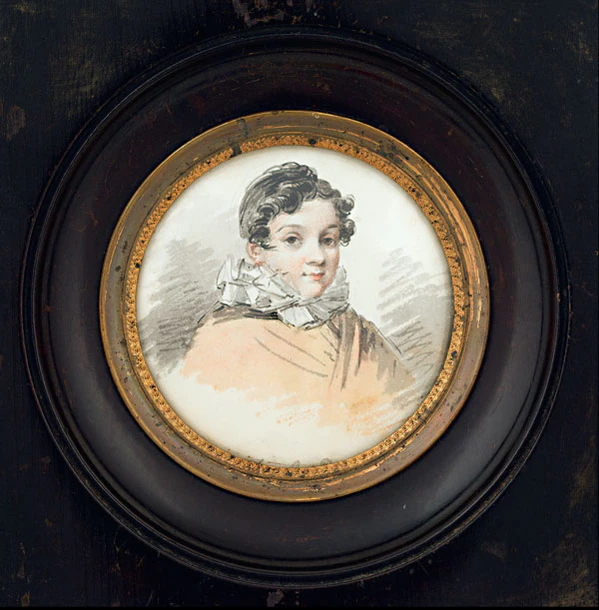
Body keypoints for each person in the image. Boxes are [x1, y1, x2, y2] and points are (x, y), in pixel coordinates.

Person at [179, 162, 414, 465]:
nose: (317, 257)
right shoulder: (221, 335)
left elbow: (401, 414)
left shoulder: (354, 329)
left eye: (328, 240)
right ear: (256, 251)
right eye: (292, 240)